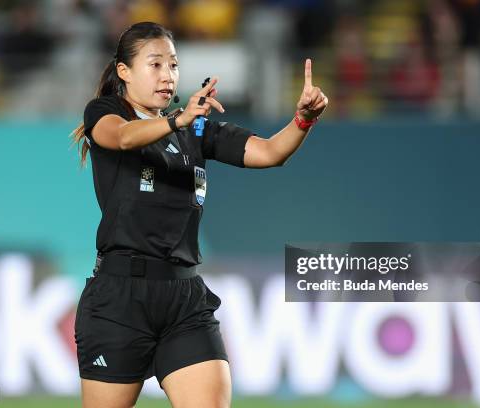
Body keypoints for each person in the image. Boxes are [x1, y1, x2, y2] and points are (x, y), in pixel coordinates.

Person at [71, 21, 327, 408]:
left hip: (184, 300)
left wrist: (304, 120)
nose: (167, 76)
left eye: (173, 65)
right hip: (120, 299)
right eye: (155, 64)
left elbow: (272, 153)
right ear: (124, 72)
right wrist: (178, 119)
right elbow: (121, 137)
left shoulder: (196, 131)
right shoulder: (106, 112)